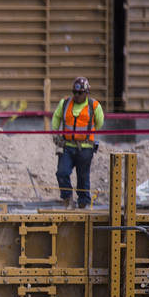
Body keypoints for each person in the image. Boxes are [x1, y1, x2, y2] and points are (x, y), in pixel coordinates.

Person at [52, 77, 104, 209]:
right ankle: (67, 198)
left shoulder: (94, 106)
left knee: (83, 176)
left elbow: (99, 123)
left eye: (80, 93)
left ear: (86, 93)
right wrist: (55, 133)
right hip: (67, 146)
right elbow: (56, 117)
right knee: (62, 173)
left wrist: (87, 135)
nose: (76, 96)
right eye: (74, 92)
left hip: (85, 148)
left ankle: (83, 202)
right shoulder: (64, 103)